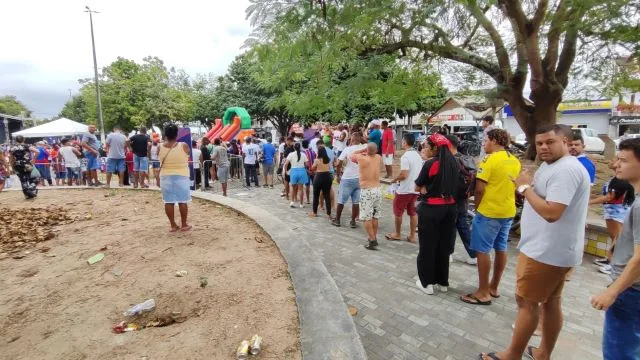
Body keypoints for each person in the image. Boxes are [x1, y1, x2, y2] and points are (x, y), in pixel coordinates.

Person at [481, 124, 590, 360]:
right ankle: (543, 353)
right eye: (539, 143)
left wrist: (524, 187)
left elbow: (552, 212)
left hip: (546, 251)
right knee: (550, 302)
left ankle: (513, 354)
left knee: (527, 302)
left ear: (566, 142)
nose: (543, 147)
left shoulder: (565, 170)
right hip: (552, 249)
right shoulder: (556, 167)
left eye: (550, 142)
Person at [591, 138, 640, 360]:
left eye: (623, 160)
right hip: (629, 290)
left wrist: (612, 291)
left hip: (630, 292)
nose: (616, 164)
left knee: (619, 353)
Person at [460, 129, 521, 306]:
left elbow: (479, 189)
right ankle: (493, 287)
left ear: (494, 140)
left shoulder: (489, 160)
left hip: (489, 212)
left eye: (486, 140)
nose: (483, 144)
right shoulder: (514, 160)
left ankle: (483, 292)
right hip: (508, 211)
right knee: (501, 247)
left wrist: (478, 208)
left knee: (482, 250)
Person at [414, 133, 460, 295]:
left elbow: (417, 187)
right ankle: (442, 281)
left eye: (426, 146)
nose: (424, 148)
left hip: (432, 209)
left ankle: (426, 283)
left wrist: (425, 189)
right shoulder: (454, 162)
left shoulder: (431, 164)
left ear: (435, 148)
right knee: (443, 246)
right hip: (450, 209)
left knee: (427, 246)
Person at [590, 176, 635, 275]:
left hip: (618, 211)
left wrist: (588, 202)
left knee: (618, 238)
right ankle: (610, 260)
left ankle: (614, 264)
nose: (614, 162)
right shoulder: (617, 178)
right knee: (614, 236)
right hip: (612, 211)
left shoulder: (622, 178)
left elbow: (610, 197)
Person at [446, 134, 477, 265]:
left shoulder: (448, 161)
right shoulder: (467, 159)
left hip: (450, 200)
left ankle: (449, 253)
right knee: (463, 226)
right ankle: (473, 255)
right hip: (463, 199)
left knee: (449, 227)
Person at [386, 133, 422, 243]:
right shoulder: (417, 155)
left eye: (402, 140)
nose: (401, 142)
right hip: (415, 189)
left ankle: (397, 234)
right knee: (412, 212)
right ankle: (412, 236)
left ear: (405, 142)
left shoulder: (405, 157)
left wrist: (394, 179)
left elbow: (404, 175)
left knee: (398, 211)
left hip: (405, 189)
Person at [158, 123, 191, 232]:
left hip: (165, 176)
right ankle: (184, 224)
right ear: (177, 134)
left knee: (168, 201)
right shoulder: (184, 145)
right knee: (182, 201)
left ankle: (173, 225)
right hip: (181, 176)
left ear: (165, 135)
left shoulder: (159, 146)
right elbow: (187, 155)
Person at [352, 142, 383, 250]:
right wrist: (369, 150)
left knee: (366, 217)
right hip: (378, 189)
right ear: (377, 149)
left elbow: (352, 156)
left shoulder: (362, 158)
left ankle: (372, 239)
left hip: (367, 190)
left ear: (367, 149)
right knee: (375, 215)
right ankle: (373, 238)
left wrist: (362, 150)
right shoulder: (379, 157)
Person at [334, 132, 367, 228]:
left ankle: (337, 220)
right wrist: (361, 139)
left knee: (341, 200)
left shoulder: (347, 149)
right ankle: (353, 221)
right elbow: (369, 143)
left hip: (347, 177)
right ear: (360, 139)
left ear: (351, 140)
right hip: (359, 178)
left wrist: (338, 175)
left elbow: (339, 163)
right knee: (356, 201)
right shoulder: (365, 147)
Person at [309, 146, 333, 218]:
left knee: (316, 195)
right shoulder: (328, 160)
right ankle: (329, 213)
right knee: (327, 195)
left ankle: (314, 212)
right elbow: (329, 168)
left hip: (319, 176)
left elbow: (312, 168)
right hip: (327, 176)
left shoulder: (317, 160)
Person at [284, 142, 309, 208]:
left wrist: (286, 171)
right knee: (301, 189)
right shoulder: (303, 154)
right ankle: (301, 204)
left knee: (293, 187)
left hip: (293, 171)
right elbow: (307, 164)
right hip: (302, 171)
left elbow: (286, 164)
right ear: (300, 147)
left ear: (294, 147)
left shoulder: (291, 154)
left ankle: (292, 202)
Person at [302, 140, 315, 204]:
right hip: (313, 170)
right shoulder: (313, 152)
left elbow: (303, 164)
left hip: (306, 171)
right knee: (315, 186)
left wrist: (307, 171)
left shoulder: (303, 153)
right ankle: (316, 199)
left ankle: (308, 200)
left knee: (307, 186)